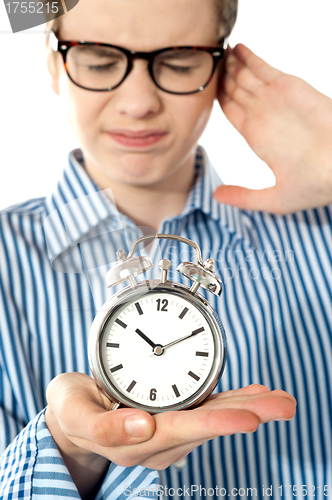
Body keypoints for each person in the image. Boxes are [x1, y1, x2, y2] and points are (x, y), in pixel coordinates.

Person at [0, 0, 331, 499]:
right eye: (98, 61)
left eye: (178, 62)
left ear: (222, 70)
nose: (138, 103)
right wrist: (71, 454)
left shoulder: (322, 232)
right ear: (55, 64)